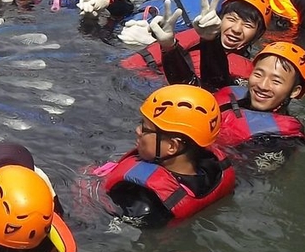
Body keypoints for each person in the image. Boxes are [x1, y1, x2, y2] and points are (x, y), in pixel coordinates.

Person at [88, 84, 234, 228]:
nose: (138, 130)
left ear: (172, 146)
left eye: (145, 128)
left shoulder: (142, 204)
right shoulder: (212, 170)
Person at [120, 0, 273, 88]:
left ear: (257, 35)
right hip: (138, 79)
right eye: (231, 19)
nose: (236, 29)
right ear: (220, 18)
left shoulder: (251, 73)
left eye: (247, 25)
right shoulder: (191, 36)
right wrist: (165, 44)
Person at [208, 42, 305, 162]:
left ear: (294, 91)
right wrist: (209, 40)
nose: (262, 85)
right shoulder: (235, 92)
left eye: (276, 81)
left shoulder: (280, 140)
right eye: (258, 74)